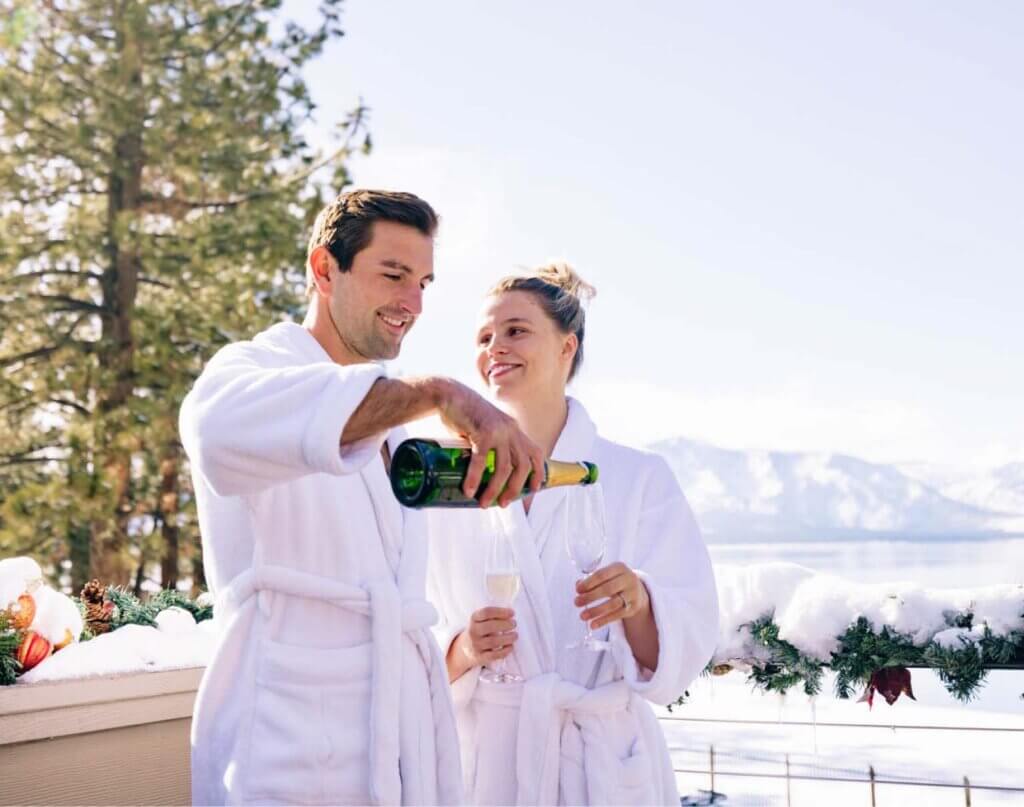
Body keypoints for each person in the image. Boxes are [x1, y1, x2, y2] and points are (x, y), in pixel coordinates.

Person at [179, 189, 546, 805]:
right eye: (394, 275)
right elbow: (211, 432)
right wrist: (439, 391)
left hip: (393, 739)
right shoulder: (253, 369)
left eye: (424, 282)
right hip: (284, 736)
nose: (413, 303)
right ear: (325, 269)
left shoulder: (392, 424)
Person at [425, 263, 720, 805]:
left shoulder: (638, 477)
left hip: (599, 762)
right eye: (483, 337)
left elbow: (687, 636)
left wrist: (640, 603)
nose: (495, 347)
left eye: (516, 330)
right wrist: (463, 648)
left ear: (567, 347)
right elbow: (411, 625)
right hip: (488, 762)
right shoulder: (452, 483)